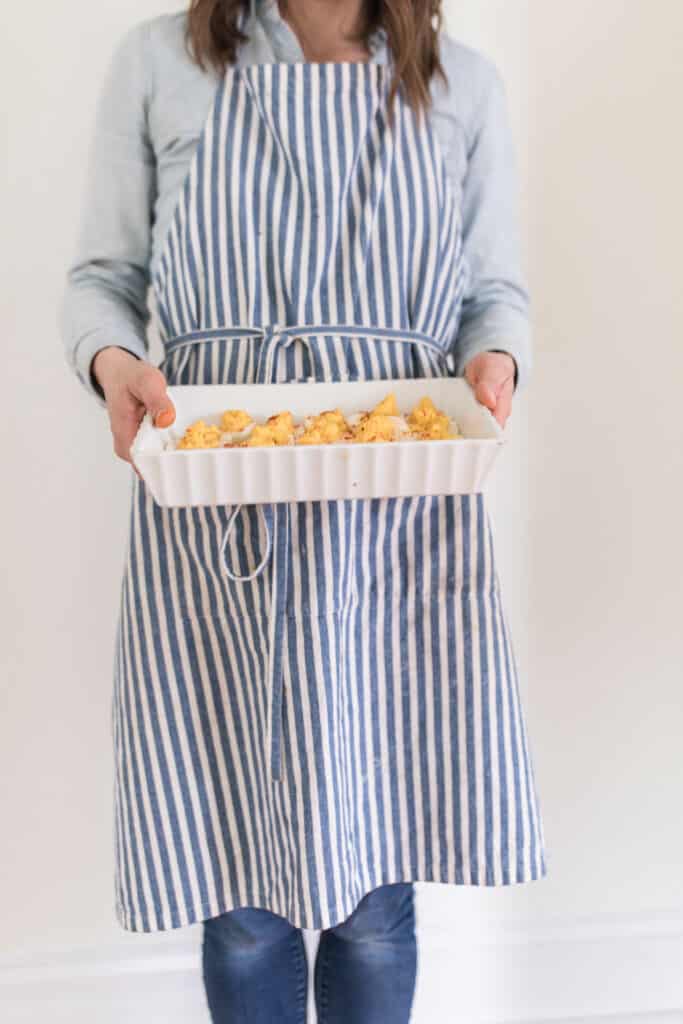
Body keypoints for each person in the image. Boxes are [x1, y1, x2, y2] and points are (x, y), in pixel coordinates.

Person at [61, 1, 547, 1020]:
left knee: (374, 892)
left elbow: (491, 293)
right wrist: (111, 363)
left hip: (397, 516)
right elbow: (104, 282)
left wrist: (494, 362)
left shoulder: (462, 84)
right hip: (214, 512)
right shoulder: (157, 61)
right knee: (242, 900)